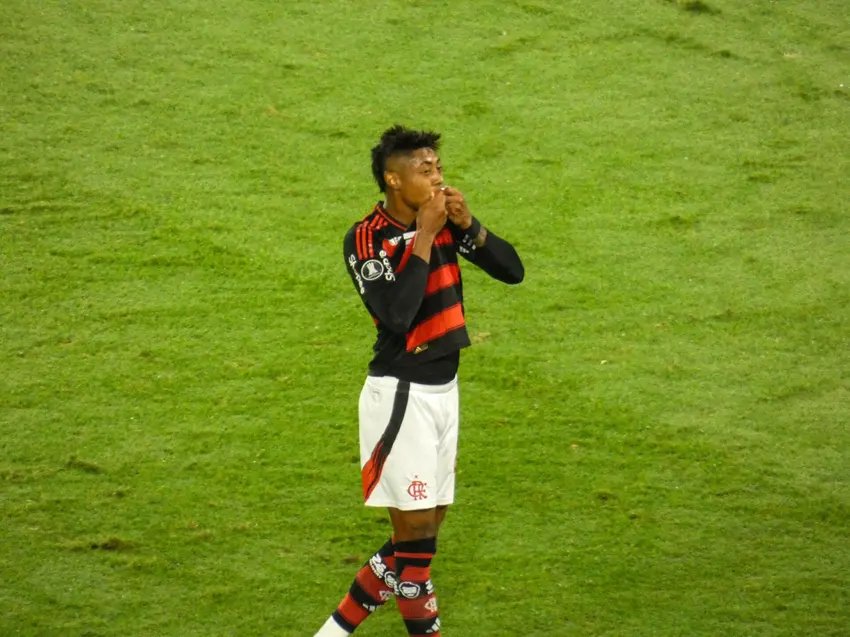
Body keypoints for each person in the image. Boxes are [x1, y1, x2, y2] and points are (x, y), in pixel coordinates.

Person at [314, 125, 524, 636]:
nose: (436, 178)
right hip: (400, 394)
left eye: (438, 169)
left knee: (421, 538)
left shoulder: (445, 222)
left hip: (444, 394)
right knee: (418, 557)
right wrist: (427, 234)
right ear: (393, 179)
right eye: (424, 170)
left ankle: (332, 632)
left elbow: (512, 270)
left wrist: (468, 224)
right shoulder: (366, 238)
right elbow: (397, 315)